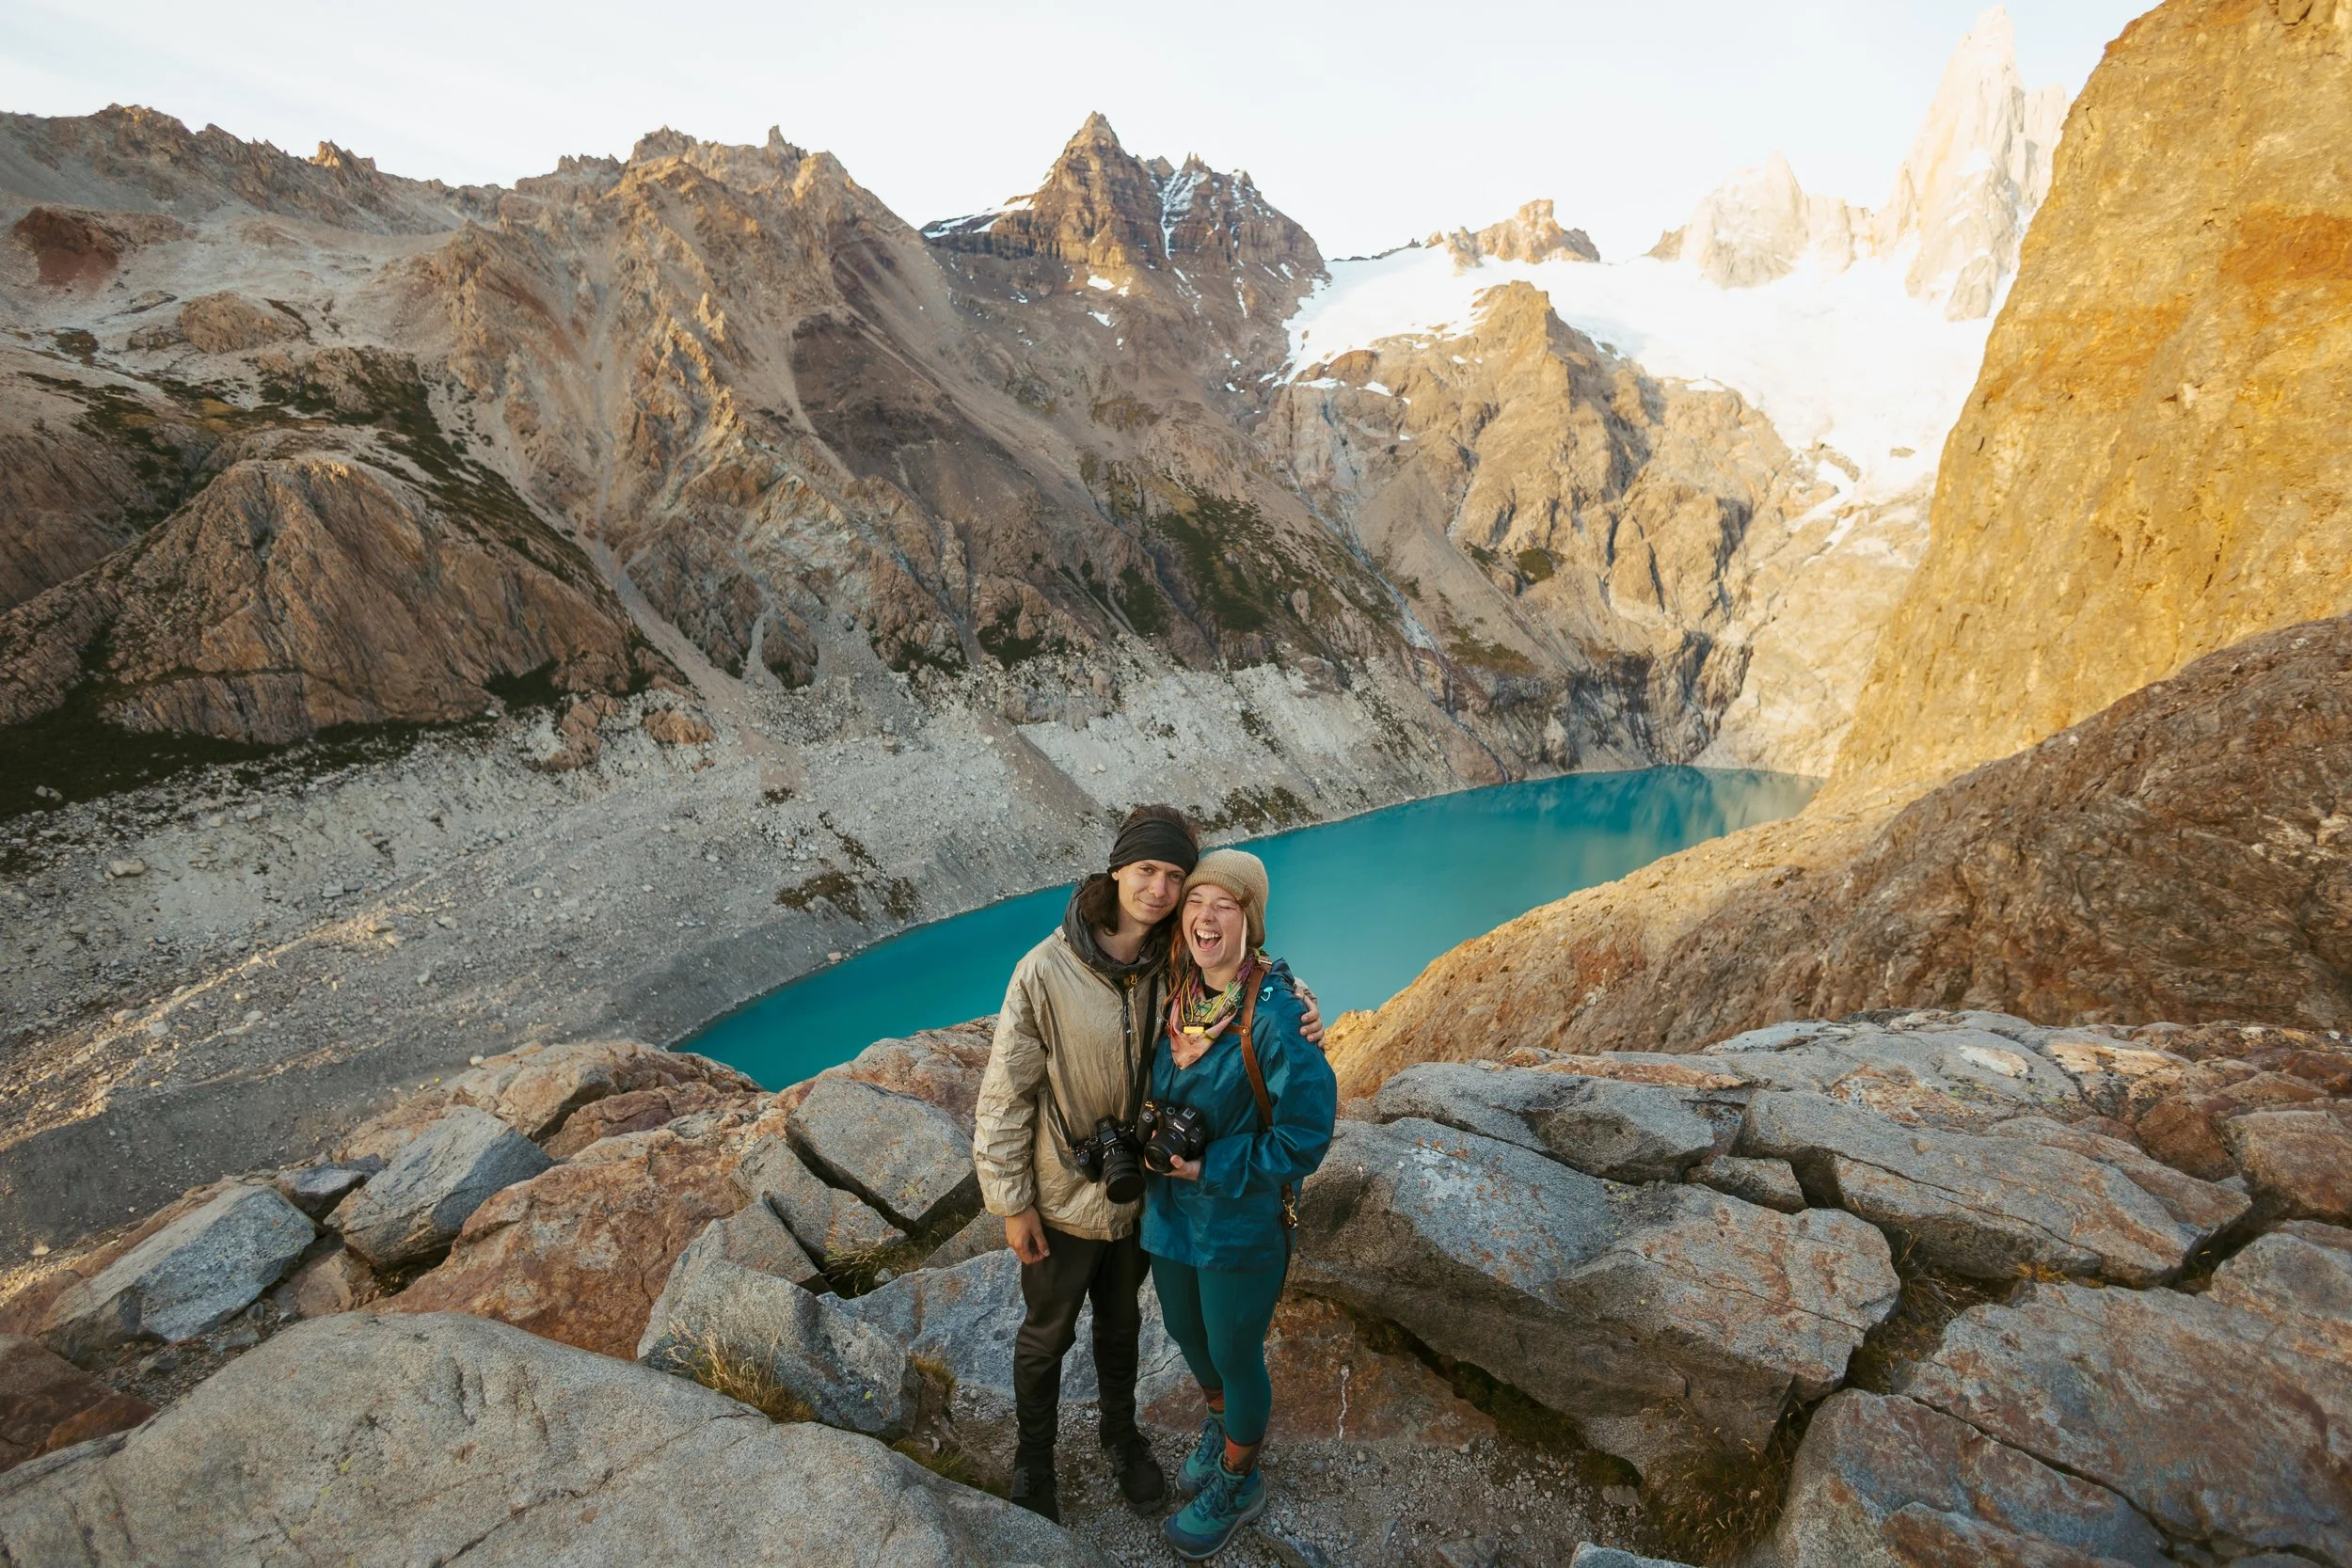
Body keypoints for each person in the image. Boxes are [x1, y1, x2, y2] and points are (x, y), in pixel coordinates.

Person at [972, 808, 1324, 1523]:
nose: (1164, 891)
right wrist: (1012, 1201)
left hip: (1145, 1193)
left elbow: (1248, 977)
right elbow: (1007, 1091)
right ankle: (1033, 1463)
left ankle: (1124, 1438)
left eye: (1177, 876)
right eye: (1150, 872)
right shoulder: (1045, 969)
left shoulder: (1174, 962)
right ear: (1116, 869)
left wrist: (1301, 999)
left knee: (1123, 1326)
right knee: (1047, 1332)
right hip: (1070, 1188)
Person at [1141, 848, 1338, 1560]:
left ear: (1250, 919)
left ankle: (1239, 1475)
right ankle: (1220, 1421)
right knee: (1189, 1336)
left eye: (1226, 904)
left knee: (1233, 1348)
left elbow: (1306, 1137)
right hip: (1169, 1212)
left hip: (1239, 1221)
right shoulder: (1174, 992)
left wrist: (1211, 1161)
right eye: (1197, 901)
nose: (1206, 916)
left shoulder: (1280, 1014)